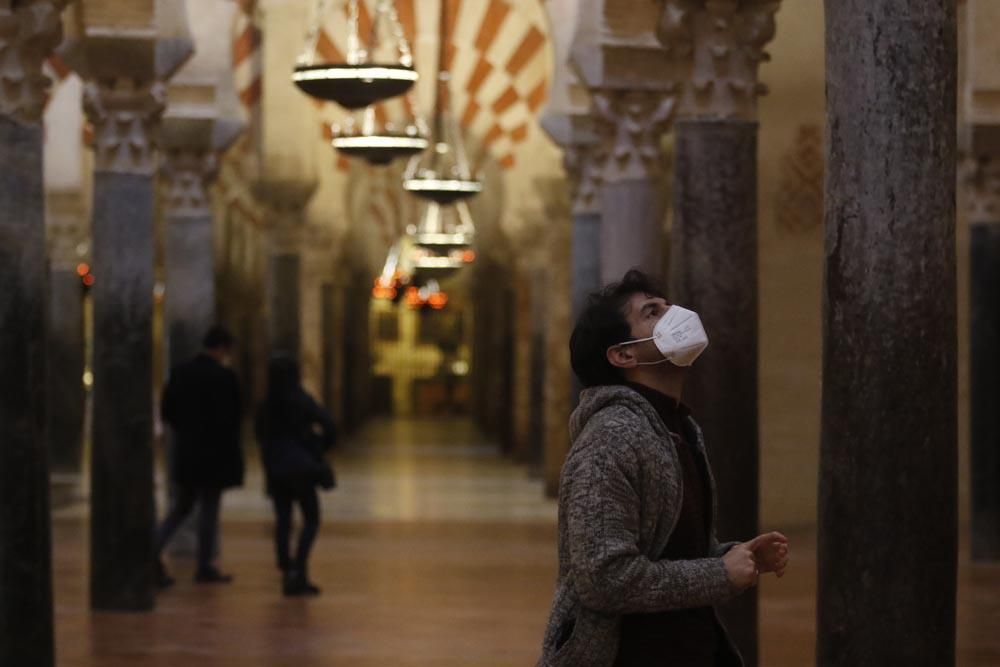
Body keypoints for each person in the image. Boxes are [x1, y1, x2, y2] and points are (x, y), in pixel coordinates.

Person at [537, 270, 790, 667]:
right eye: (653, 312)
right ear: (624, 354)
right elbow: (604, 579)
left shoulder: (676, 427)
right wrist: (718, 574)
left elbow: (668, 550)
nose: (677, 314)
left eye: (668, 305)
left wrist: (731, 555)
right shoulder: (612, 439)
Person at [156, 325, 244, 587]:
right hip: (215, 455)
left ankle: (150, 550)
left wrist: (186, 432)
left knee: (181, 507)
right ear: (223, 348)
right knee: (209, 510)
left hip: (187, 451)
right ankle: (204, 566)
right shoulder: (225, 378)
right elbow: (234, 419)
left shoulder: (181, 373)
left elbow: (167, 411)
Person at [255, 355, 337, 597]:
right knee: (310, 519)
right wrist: (319, 448)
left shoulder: (266, 404)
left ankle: (286, 567)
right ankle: (298, 571)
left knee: (283, 519)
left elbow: (258, 435)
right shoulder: (301, 400)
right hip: (301, 468)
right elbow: (329, 424)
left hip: (276, 468)